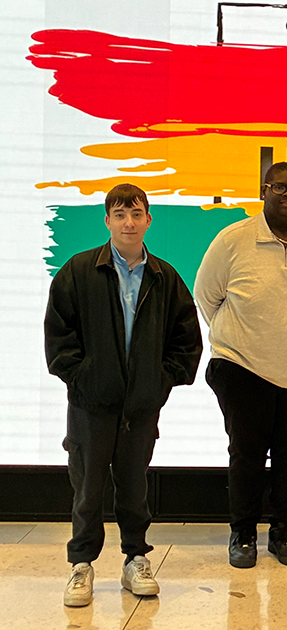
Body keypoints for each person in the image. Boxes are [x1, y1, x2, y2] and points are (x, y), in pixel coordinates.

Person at [44, 183, 202, 607]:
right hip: (91, 406)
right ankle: (81, 565)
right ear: (107, 221)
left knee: (134, 487)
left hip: (140, 407)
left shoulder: (165, 278)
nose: (129, 222)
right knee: (88, 487)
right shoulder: (78, 272)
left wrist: (158, 382)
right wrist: (84, 379)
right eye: (120, 214)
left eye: (136, 214)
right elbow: (59, 338)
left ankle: (136, 559)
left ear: (149, 220)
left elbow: (186, 340)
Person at [195, 162, 287, 569]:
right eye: (279, 187)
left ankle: (283, 532)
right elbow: (206, 295)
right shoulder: (233, 240)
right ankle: (242, 534)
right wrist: (243, 339)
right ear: (264, 190)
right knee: (246, 455)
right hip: (242, 369)